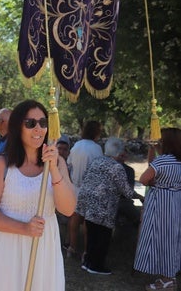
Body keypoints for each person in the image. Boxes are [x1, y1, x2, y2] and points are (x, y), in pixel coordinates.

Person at [0, 99, 76, 290]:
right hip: (8, 247)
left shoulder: (58, 163)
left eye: (43, 123)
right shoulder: (0, 165)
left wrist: (54, 169)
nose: (38, 129)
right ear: (17, 127)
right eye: (30, 123)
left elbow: (68, 209)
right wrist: (24, 228)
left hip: (45, 246)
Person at [75, 137, 133, 275]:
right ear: (119, 152)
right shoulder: (116, 167)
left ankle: (87, 262)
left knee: (92, 236)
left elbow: (86, 177)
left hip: (89, 204)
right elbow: (126, 191)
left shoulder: (97, 161)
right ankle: (97, 266)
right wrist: (137, 196)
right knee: (102, 238)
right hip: (104, 208)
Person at [134, 127, 181, 291]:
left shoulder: (162, 161)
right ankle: (169, 276)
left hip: (160, 203)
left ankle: (167, 280)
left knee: (159, 237)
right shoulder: (178, 161)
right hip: (175, 201)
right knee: (172, 239)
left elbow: (144, 178)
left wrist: (156, 183)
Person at [65, 120, 103, 258]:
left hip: (75, 186)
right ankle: (86, 252)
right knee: (88, 220)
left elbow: (69, 164)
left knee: (74, 217)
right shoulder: (96, 148)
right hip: (90, 187)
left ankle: (72, 246)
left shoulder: (77, 145)